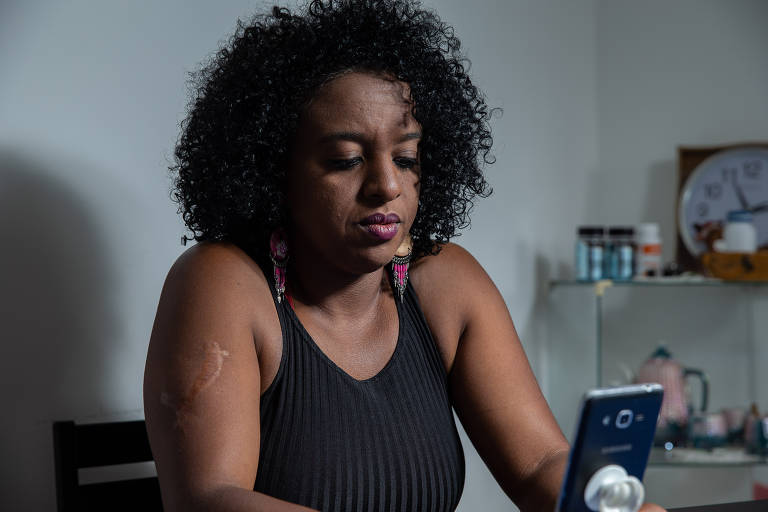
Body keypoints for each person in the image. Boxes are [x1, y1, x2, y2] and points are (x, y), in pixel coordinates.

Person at [144, 1, 665, 511]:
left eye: (407, 157)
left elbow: (538, 464)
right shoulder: (222, 283)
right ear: (273, 171)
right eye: (346, 160)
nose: (387, 185)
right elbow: (209, 498)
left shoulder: (447, 284)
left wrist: (604, 500)